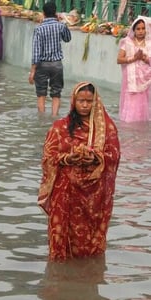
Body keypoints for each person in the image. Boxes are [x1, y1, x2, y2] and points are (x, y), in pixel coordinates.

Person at [38, 82, 120, 261]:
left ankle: (88, 277)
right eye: (81, 101)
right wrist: (68, 158)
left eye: (89, 101)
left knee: (90, 247)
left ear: (95, 102)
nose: (84, 105)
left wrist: (97, 158)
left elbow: (114, 155)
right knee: (61, 244)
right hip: (66, 192)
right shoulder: (60, 127)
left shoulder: (106, 128)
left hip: (94, 197)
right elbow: (48, 157)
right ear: (73, 101)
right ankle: (60, 279)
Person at [28, 1, 71, 117]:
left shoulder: (39, 29)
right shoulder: (61, 26)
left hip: (42, 65)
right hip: (57, 65)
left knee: (41, 93)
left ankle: (41, 119)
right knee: (56, 93)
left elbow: (36, 51)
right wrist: (62, 22)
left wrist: (32, 71)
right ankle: (54, 118)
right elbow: (67, 39)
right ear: (55, 13)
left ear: (43, 13)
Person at [117, 16, 151, 123]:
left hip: (146, 80)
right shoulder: (127, 42)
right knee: (131, 106)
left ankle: (142, 130)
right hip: (130, 81)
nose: (141, 31)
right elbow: (119, 59)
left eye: (143, 28)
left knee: (143, 106)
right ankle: (129, 128)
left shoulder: (150, 44)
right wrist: (134, 58)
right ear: (134, 30)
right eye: (138, 29)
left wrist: (145, 58)